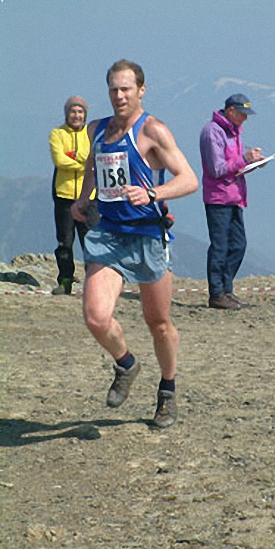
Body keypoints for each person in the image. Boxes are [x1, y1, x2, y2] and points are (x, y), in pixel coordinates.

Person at [71, 59, 198, 428]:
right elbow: (93, 166)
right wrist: (84, 198)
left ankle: (168, 391)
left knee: (157, 322)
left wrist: (153, 193)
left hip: (147, 236)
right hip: (109, 235)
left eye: (126, 88)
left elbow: (189, 179)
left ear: (141, 90)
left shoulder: (153, 130)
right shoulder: (97, 129)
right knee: (96, 317)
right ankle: (126, 364)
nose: (119, 95)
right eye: (113, 89)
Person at [200, 93, 264, 310]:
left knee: (238, 245)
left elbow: (233, 166)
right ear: (231, 112)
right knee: (220, 247)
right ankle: (216, 293)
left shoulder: (234, 132)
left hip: (235, 196)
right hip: (218, 198)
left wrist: (253, 163)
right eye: (242, 114)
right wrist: (245, 159)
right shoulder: (212, 132)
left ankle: (227, 289)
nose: (245, 119)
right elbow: (217, 169)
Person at [49, 96, 99, 295]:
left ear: (85, 115)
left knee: (92, 241)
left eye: (80, 112)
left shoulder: (91, 135)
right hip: (64, 196)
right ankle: (65, 280)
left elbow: (95, 159)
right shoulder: (57, 134)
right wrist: (84, 163)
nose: (76, 115)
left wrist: (75, 157)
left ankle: (93, 284)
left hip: (90, 197)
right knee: (65, 241)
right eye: (73, 111)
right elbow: (59, 160)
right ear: (66, 113)